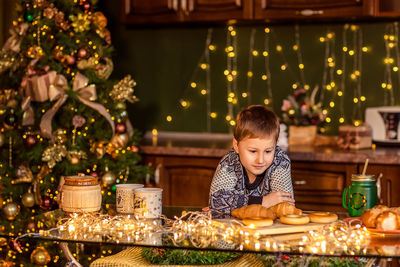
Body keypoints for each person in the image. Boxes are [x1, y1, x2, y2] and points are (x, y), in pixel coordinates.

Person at [208, 105, 294, 217]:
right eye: (253, 151)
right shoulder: (230, 162)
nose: (260, 160)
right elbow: (216, 201)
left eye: (268, 151)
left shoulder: (280, 162)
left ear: (275, 145)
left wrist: (232, 205)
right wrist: (263, 201)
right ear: (236, 145)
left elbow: (284, 206)